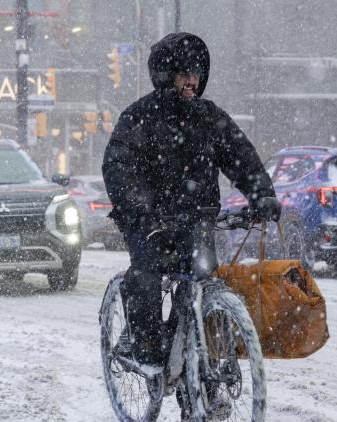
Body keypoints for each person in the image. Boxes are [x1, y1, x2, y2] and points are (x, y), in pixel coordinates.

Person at [102, 33, 281, 372]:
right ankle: (146, 347)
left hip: (197, 219)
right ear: (165, 76)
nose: (191, 79)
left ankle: (194, 377)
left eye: (196, 72)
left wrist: (262, 195)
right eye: (183, 72)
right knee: (147, 275)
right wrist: (139, 209)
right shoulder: (140, 117)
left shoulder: (210, 117)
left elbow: (240, 157)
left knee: (204, 282)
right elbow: (117, 166)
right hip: (148, 221)